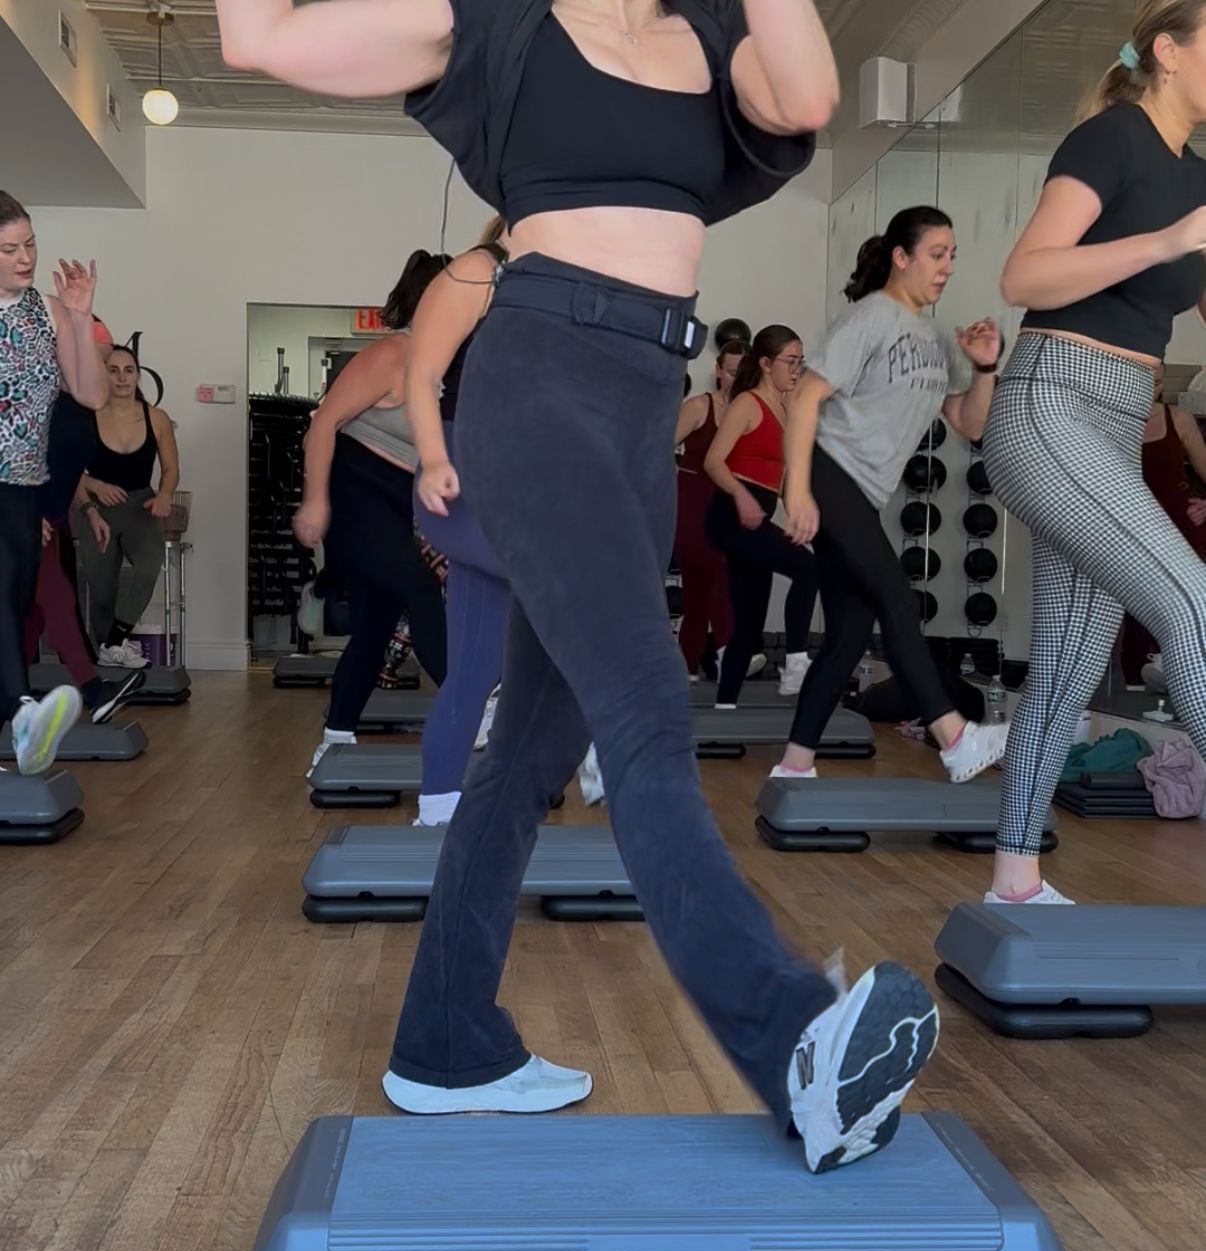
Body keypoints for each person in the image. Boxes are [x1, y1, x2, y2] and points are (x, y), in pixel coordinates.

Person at [219, 0, 940, 1176]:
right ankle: (793, 1044)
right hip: (540, 375)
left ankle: (446, 1041)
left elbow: (808, 97)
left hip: (644, 399)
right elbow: (257, 41)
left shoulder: (713, 35)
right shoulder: (501, 28)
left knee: (530, 754)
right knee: (648, 711)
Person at [985, 0, 1206, 905]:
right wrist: (1162, 240)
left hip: (1116, 422)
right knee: (1192, 599)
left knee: (1073, 664)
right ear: (1168, 50)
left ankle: (1016, 878)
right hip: (1050, 408)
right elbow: (1023, 275)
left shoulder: (1198, 176)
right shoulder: (1111, 140)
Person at [778, 207, 1009, 784]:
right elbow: (806, 399)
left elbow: (969, 424)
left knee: (849, 637)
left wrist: (984, 368)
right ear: (901, 257)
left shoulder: (934, 339)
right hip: (831, 475)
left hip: (859, 491)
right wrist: (800, 491)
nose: (947, 267)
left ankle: (794, 765)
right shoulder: (870, 318)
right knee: (898, 600)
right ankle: (953, 736)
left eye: (953, 255)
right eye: (937, 254)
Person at [293, 251, 449, 772]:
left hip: (393, 500)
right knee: (422, 591)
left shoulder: (438, 367)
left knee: (377, 625)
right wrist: (315, 500)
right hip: (354, 494)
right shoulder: (391, 355)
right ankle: (480, 707)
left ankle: (335, 738)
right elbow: (322, 424)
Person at [0, 191, 108, 774]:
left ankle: (15, 713)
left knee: (14, 605)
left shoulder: (47, 311)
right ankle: (23, 713)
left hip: (23, 484)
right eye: (9, 249)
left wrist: (81, 316)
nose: (25, 258)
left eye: (30, 243)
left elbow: (90, 395)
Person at [408, 219, 511, 826]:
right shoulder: (480, 269)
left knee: (473, 668)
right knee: (571, 584)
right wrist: (434, 459)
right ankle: (602, 728)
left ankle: (438, 805)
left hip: (516, 481)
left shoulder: (560, 281)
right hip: (457, 474)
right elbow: (419, 373)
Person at [23, 319, 147, 723]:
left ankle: (18, 700)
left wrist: (88, 510)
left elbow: (68, 470)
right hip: (25, 516)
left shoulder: (76, 404)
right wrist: (27, 509)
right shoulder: (42, 396)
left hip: (48, 518)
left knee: (37, 611)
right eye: (102, 359)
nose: (109, 370)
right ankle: (92, 691)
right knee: (53, 600)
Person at [704, 325, 818, 702]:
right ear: (766, 364)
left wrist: (797, 510)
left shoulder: (786, 409)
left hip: (756, 518)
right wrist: (740, 496)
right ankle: (797, 661)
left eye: (800, 361)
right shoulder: (747, 404)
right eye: (790, 361)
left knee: (748, 625)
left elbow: (780, 479)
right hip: (731, 515)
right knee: (805, 566)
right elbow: (713, 461)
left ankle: (724, 704)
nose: (796, 368)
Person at [77, 346, 180, 667]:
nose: (122, 377)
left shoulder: (156, 417)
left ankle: (114, 642)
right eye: (114, 370)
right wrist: (95, 486)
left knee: (149, 568)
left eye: (129, 370)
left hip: (140, 504)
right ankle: (108, 654)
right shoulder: (86, 415)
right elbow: (69, 471)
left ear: (138, 375)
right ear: (103, 374)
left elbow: (171, 469)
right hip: (97, 508)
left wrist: (163, 495)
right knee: (103, 587)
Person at [1120, 375, 1206, 687]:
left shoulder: (1178, 419)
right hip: (1132, 533)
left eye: (1156, 379)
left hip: (1180, 529)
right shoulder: (1112, 420)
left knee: (1185, 605)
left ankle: (1185, 679)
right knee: (1137, 609)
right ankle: (1137, 684)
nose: (1149, 385)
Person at [674, 339, 744, 681]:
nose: (737, 378)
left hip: (726, 506)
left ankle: (685, 666)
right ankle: (730, 646)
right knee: (712, 568)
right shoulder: (700, 406)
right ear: (718, 371)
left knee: (698, 595)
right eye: (732, 372)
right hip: (692, 503)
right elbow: (660, 444)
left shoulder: (749, 411)